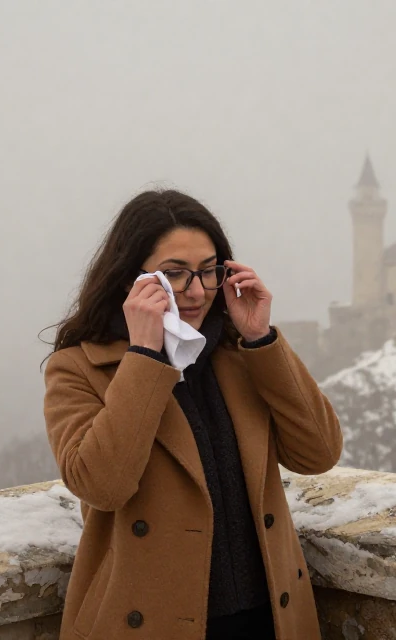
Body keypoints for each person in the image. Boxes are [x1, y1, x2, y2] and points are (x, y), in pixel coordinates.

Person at [43, 189, 343, 639]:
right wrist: (145, 355)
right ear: (131, 281)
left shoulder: (238, 355)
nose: (196, 291)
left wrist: (261, 339)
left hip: (270, 619)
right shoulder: (81, 366)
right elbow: (102, 485)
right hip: (148, 625)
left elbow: (318, 453)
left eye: (208, 271)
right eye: (175, 274)